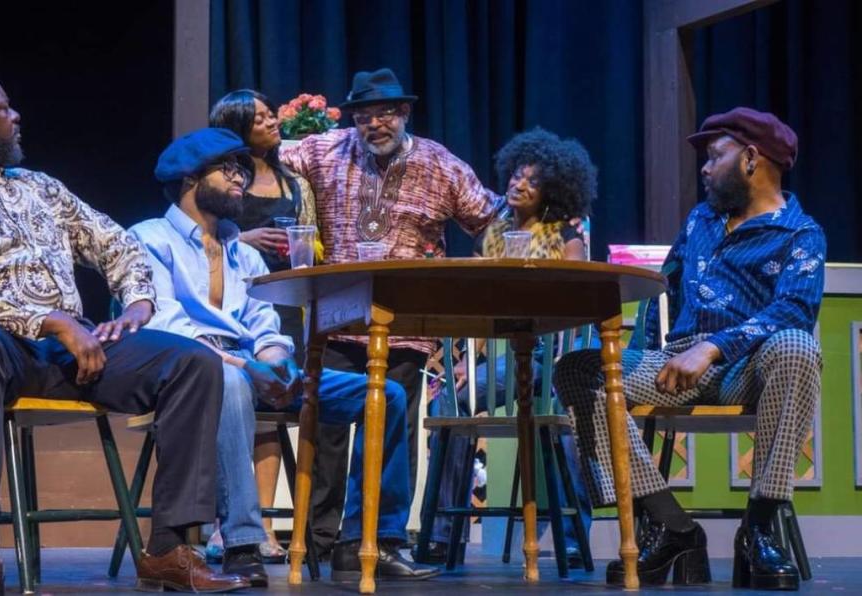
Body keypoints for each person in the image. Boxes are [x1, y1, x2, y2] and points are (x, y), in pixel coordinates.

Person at [0, 71, 248, 595]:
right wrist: (50, 320)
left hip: (73, 355)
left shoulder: (40, 187)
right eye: (4, 108)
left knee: (193, 362)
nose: (15, 118)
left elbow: (118, 245)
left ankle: (169, 547)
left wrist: (137, 301)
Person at [128, 126, 441, 584]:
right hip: (187, 376)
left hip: (250, 370)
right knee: (229, 381)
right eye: (227, 169)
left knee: (386, 394)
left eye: (241, 168)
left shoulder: (242, 253)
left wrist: (276, 363)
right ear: (190, 179)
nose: (240, 178)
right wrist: (246, 367)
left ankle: (369, 540)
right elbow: (165, 328)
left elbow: (264, 326)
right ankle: (241, 543)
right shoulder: (150, 238)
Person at [553, 107, 824, 590]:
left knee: (797, 344)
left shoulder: (801, 233)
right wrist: (630, 361)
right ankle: (671, 527)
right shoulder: (701, 219)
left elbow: (794, 310)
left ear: (751, 159)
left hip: (746, 365)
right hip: (675, 361)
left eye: (714, 155)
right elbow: (666, 290)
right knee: (578, 369)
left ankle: (760, 526)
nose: (703, 167)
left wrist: (714, 348)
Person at [280, 67, 500, 556]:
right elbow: (269, 164)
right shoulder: (324, 149)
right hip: (336, 318)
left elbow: (489, 218)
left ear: (404, 114)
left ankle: (376, 538)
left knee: (389, 429)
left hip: (406, 322)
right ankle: (318, 540)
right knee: (328, 431)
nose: (374, 124)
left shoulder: (439, 164)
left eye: (384, 114)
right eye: (363, 115)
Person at [420, 128, 595, 563]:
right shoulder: (495, 234)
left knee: (570, 418)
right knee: (451, 404)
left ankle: (574, 536)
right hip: (505, 352)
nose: (519, 184)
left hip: (553, 355)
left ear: (552, 190)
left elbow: (578, 301)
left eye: (533, 181)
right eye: (517, 175)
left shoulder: (567, 235)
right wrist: (467, 360)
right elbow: (480, 300)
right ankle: (443, 532)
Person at [206, 89, 320, 563]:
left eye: (272, 114)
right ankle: (227, 522)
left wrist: (306, 251)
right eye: (259, 118)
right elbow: (207, 227)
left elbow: (312, 236)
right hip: (239, 294)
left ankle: (266, 524)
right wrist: (246, 237)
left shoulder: (293, 180)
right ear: (237, 128)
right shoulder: (224, 179)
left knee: (271, 413)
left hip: (283, 304)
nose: (272, 122)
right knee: (238, 405)